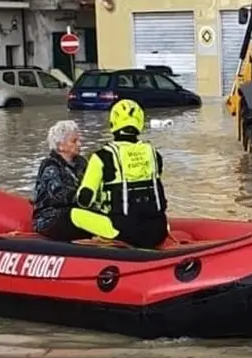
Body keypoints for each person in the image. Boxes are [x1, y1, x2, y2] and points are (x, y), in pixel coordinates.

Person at [73, 98, 169, 248]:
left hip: (125, 232)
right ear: (140, 122)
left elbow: (84, 200)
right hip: (159, 230)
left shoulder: (101, 156)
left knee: (74, 214)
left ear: (113, 122)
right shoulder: (154, 154)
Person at [32, 120, 91, 241]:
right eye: (74, 141)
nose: (79, 144)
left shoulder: (81, 163)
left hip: (77, 211)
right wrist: (84, 197)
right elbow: (60, 194)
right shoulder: (50, 166)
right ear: (60, 145)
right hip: (50, 217)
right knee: (72, 218)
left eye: (79, 140)